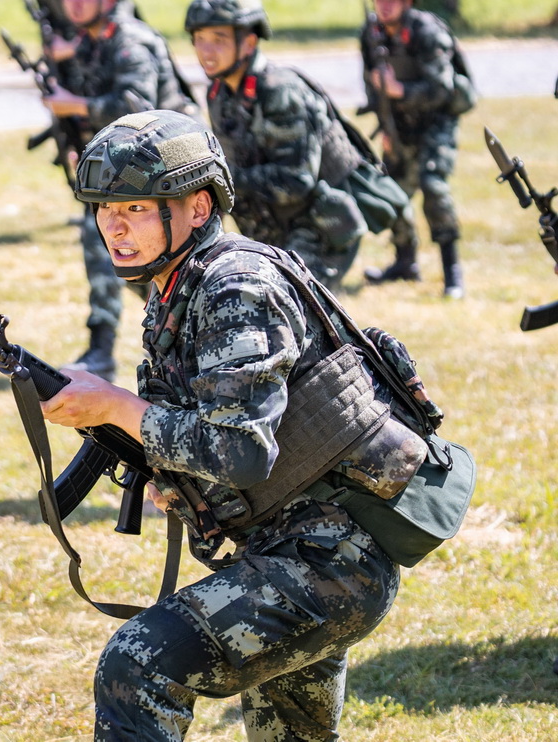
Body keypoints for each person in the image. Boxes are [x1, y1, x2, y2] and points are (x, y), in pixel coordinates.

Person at [40, 109, 408, 740]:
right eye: (104, 209)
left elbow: (241, 452)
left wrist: (117, 407)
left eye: (134, 207)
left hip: (327, 564)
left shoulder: (235, 288)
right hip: (305, 553)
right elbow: (218, 429)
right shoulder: (179, 284)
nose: (114, 227)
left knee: (138, 665)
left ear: (198, 207)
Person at [185, 0, 413, 291]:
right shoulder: (220, 93)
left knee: (287, 304)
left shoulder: (281, 91)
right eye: (200, 40)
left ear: (249, 43)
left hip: (318, 226)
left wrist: (221, 179)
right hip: (269, 224)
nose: (206, 51)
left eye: (219, 39)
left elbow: (296, 181)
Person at [40, 0, 200, 382]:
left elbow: (136, 104)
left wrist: (75, 105)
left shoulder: (130, 40)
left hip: (168, 174)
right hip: (129, 172)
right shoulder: (87, 42)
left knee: (171, 267)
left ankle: (182, 334)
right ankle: (106, 346)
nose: (74, 5)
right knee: (116, 253)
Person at [360, 0, 472, 298]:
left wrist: (401, 90)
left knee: (433, 186)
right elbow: (372, 85)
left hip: (437, 120)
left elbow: (442, 89)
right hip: (400, 123)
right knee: (393, 190)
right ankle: (404, 262)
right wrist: (384, 125)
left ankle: (452, 273)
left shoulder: (427, 32)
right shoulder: (370, 33)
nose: (384, 5)